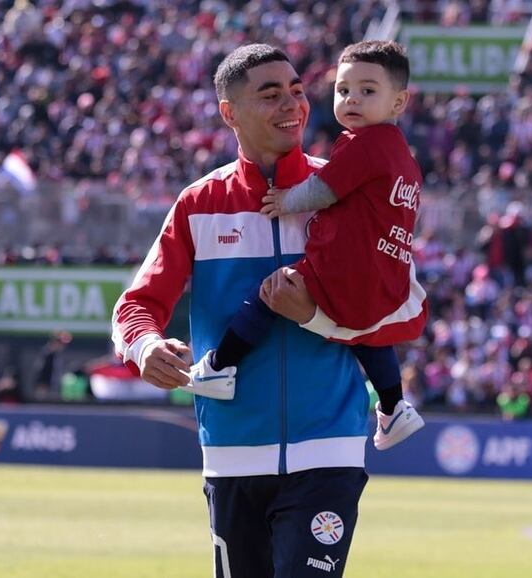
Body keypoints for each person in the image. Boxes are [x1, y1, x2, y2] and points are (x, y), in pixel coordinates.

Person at [112, 44, 374, 578]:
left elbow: (396, 307)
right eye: (270, 94)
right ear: (229, 112)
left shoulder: (348, 194)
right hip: (232, 457)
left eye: (297, 92)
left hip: (329, 450)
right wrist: (145, 346)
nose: (292, 106)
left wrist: (316, 315)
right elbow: (137, 305)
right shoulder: (198, 204)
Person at [190, 40, 428, 450]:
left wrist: (285, 201)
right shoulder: (403, 157)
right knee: (367, 333)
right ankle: (393, 406)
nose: (352, 99)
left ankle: (220, 366)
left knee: (271, 292)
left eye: (368, 91)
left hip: (346, 266)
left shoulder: (365, 143)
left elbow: (324, 188)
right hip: (387, 274)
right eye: (343, 90)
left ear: (399, 102)